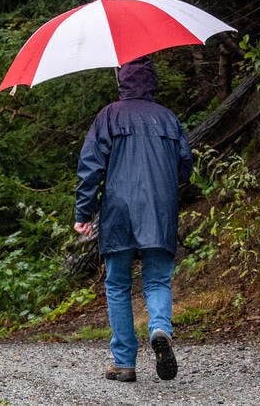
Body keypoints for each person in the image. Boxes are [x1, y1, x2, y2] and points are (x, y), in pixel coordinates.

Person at [74, 56, 193, 383]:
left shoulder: (109, 116)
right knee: (157, 280)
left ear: (122, 81)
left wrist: (83, 214)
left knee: (117, 285)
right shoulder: (168, 119)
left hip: (119, 211)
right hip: (159, 210)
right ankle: (159, 329)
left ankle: (124, 362)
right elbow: (185, 168)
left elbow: (90, 168)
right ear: (152, 81)